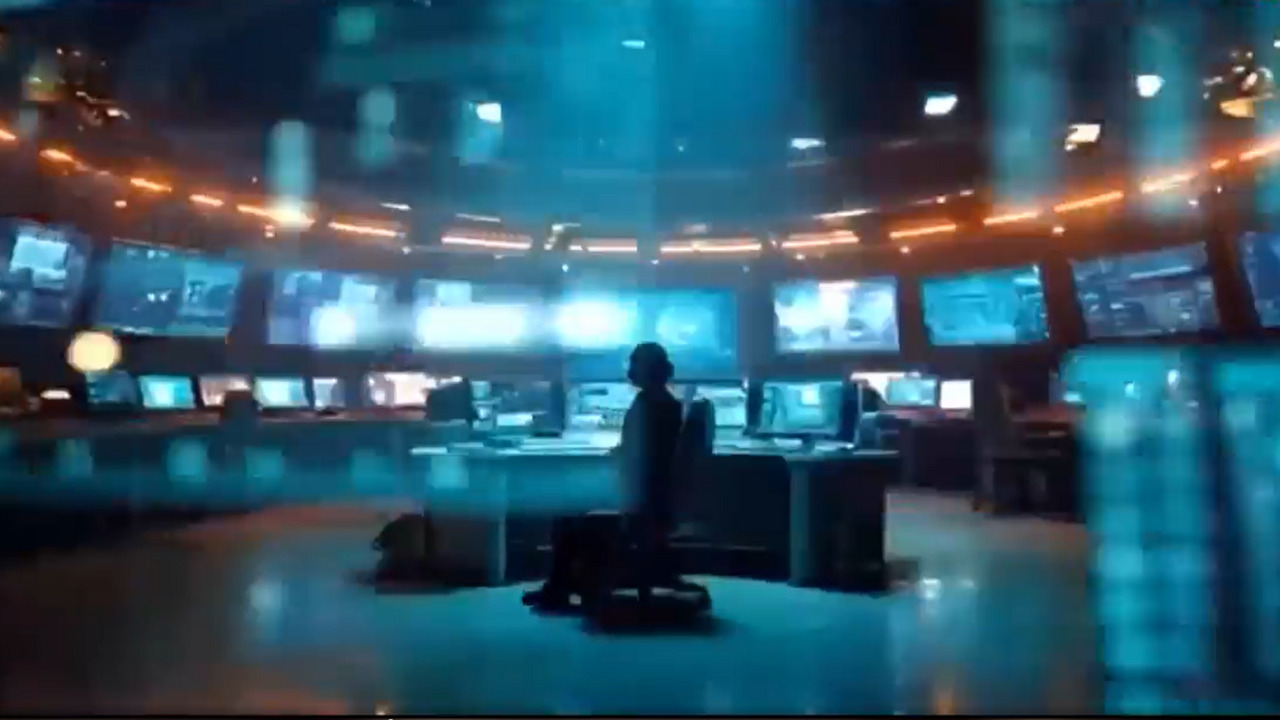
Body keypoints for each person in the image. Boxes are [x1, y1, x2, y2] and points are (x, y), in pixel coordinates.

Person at [524, 342, 685, 610]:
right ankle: (564, 586)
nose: (630, 370)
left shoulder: (653, 405)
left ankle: (563, 588)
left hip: (642, 503)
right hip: (645, 496)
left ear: (650, 369)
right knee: (570, 508)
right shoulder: (663, 404)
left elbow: (645, 458)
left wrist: (612, 471)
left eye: (635, 364)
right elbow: (640, 451)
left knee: (568, 514)